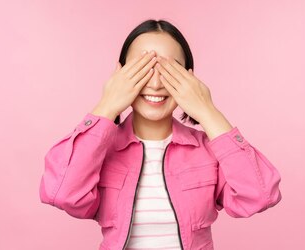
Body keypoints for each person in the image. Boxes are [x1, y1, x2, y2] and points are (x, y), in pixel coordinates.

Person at [39, 19, 282, 250]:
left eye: (168, 70)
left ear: (189, 77)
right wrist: (107, 104)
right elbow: (61, 194)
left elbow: (259, 196)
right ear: (120, 74)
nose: (155, 83)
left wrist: (207, 111)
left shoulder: (207, 151)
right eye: (142, 68)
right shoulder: (99, 151)